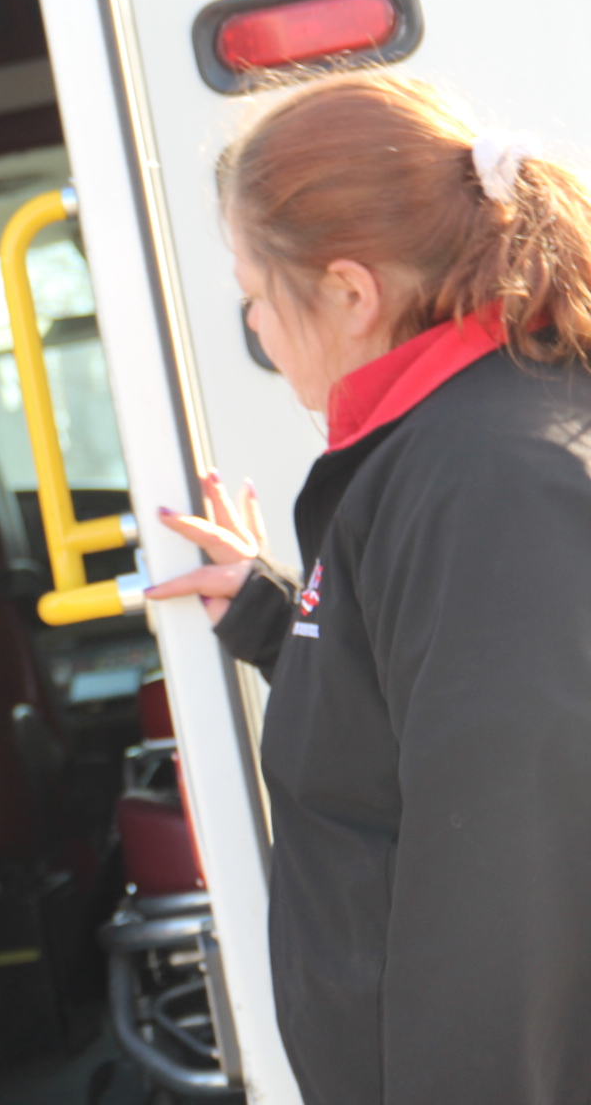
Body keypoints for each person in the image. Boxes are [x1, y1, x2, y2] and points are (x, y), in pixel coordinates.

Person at [146, 72, 591, 1105]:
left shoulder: (485, 478)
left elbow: (508, 870)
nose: (255, 323)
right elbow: (425, 705)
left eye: (255, 291)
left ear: (351, 291)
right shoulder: (463, 446)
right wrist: (275, 615)